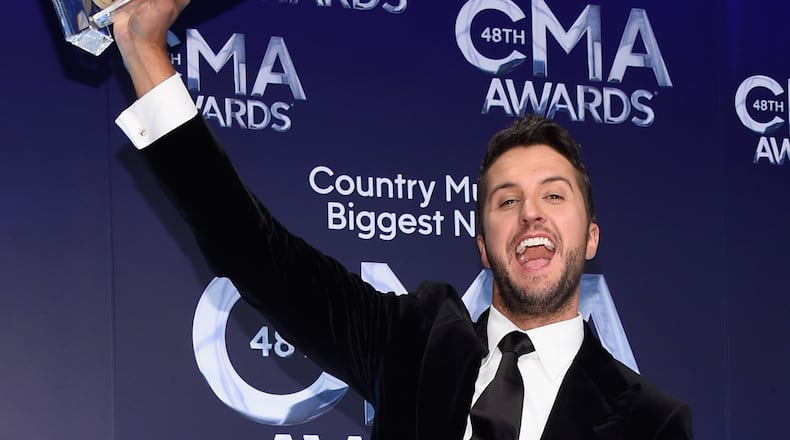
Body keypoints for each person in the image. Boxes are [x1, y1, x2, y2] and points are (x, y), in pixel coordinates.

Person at [111, 1, 692, 439]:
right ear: (483, 248)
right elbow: (251, 248)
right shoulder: (412, 341)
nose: (530, 213)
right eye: (506, 201)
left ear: (590, 238)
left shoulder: (652, 421)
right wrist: (144, 48)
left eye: (554, 196)